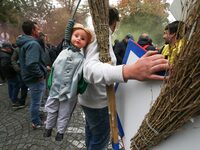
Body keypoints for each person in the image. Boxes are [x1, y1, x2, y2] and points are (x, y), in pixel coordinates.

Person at [78, 7, 169, 150]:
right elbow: (88, 70)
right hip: (97, 102)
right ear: (114, 23)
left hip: (87, 99)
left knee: (92, 133)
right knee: (100, 140)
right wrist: (128, 71)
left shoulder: (88, 34)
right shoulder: (101, 35)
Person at [43, 23, 94, 141]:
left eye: (82, 38)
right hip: (55, 88)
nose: (78, 39)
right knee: (52, 109)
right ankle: (48, 127)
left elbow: (84, 76)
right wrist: (71, 23)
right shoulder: (64, 49)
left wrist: (79, 89)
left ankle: (60, 132)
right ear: (71, 36)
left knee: (64, 113)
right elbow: (55, 68)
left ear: (86, 43)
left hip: (69, 92)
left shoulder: (82, 59)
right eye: (76, 35)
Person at [16, 20, 47, 129]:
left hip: (29, 77)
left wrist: (43, 68)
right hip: (34, 78)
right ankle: (36, 122)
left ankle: (38, 117)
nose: (39, 31)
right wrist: (39, 75)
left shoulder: (24, 42)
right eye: (37, 29)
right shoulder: (33, 43)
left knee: (36, 100)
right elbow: (31, 64)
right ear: (33, 31)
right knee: (36, 102)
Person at [0, 42, 21, 108]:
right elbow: (4, 65)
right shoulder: (5, 56)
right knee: (16, 85)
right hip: (10, 74)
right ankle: (14, 100)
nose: (11, 49)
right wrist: (14, 66)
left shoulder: (3, 53)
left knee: (11, 85)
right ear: (6, 48)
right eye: (10, 48)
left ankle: (12, 97)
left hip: (7, 74)